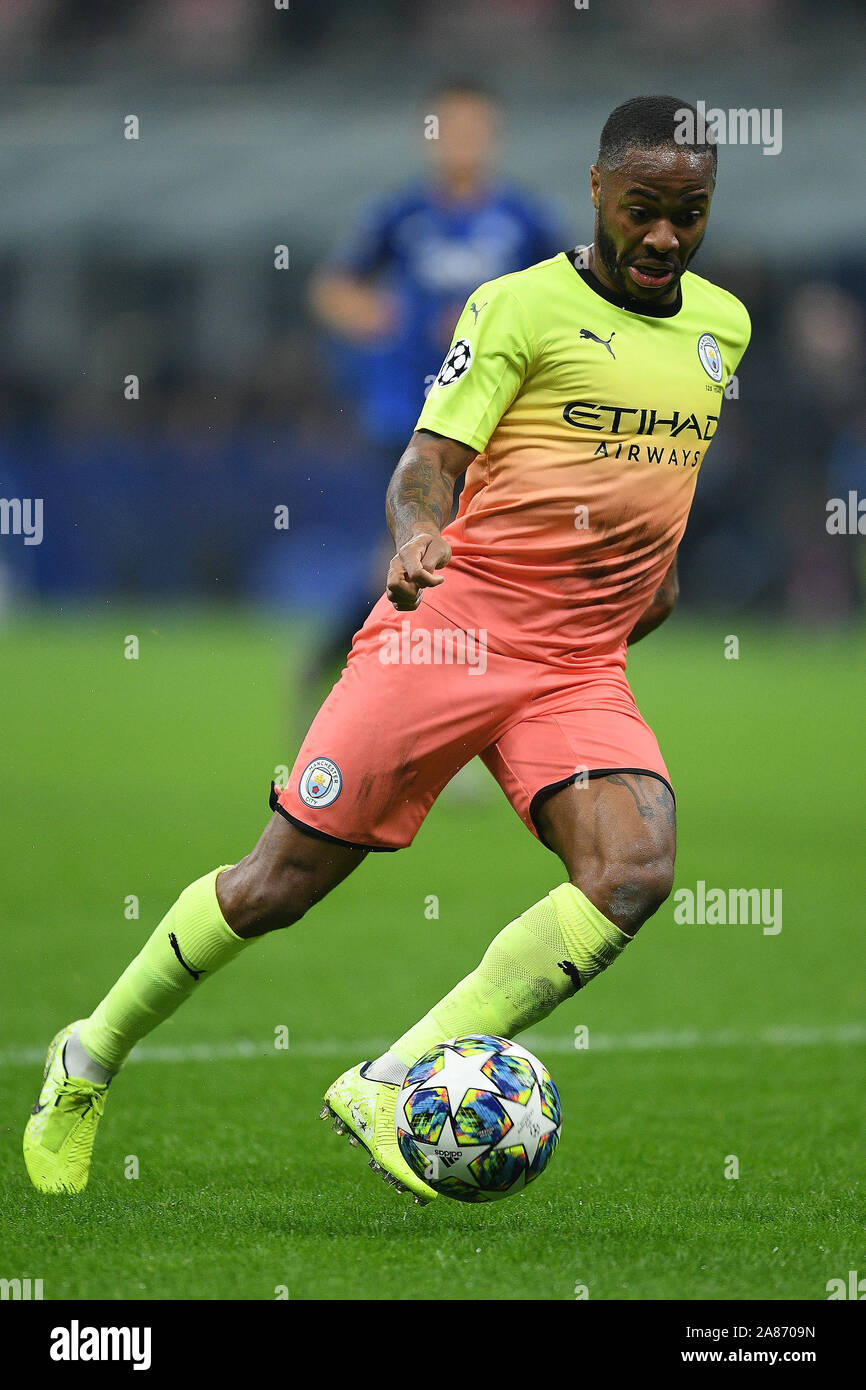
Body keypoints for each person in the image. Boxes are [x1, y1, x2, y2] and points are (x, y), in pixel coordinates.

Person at [24, 95, 750, 1207]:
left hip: (572, 664)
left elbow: (657, 484)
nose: (662, 236)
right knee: (276, 885)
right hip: (452, 629)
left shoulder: (721, 331)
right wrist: (416, 538)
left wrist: (652, 585)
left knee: (633, 870)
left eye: (687, 213)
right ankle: (87, 1058)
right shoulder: (515, 306)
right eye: (642, 208)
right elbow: (424, 465)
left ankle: (392, 1074)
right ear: (598, 192)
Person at [303, 79, 565, 690]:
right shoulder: (400, 214)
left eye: (474, 129)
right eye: (449, 128)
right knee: (418, 553)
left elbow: (567, 299)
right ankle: (358, 676)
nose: (461, 142)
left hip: (493, 421)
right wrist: (374, 317)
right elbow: (334, 288)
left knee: (460, 561)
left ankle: (370, 681)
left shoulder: (524, 220)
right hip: (407, 414)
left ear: (494, 138)